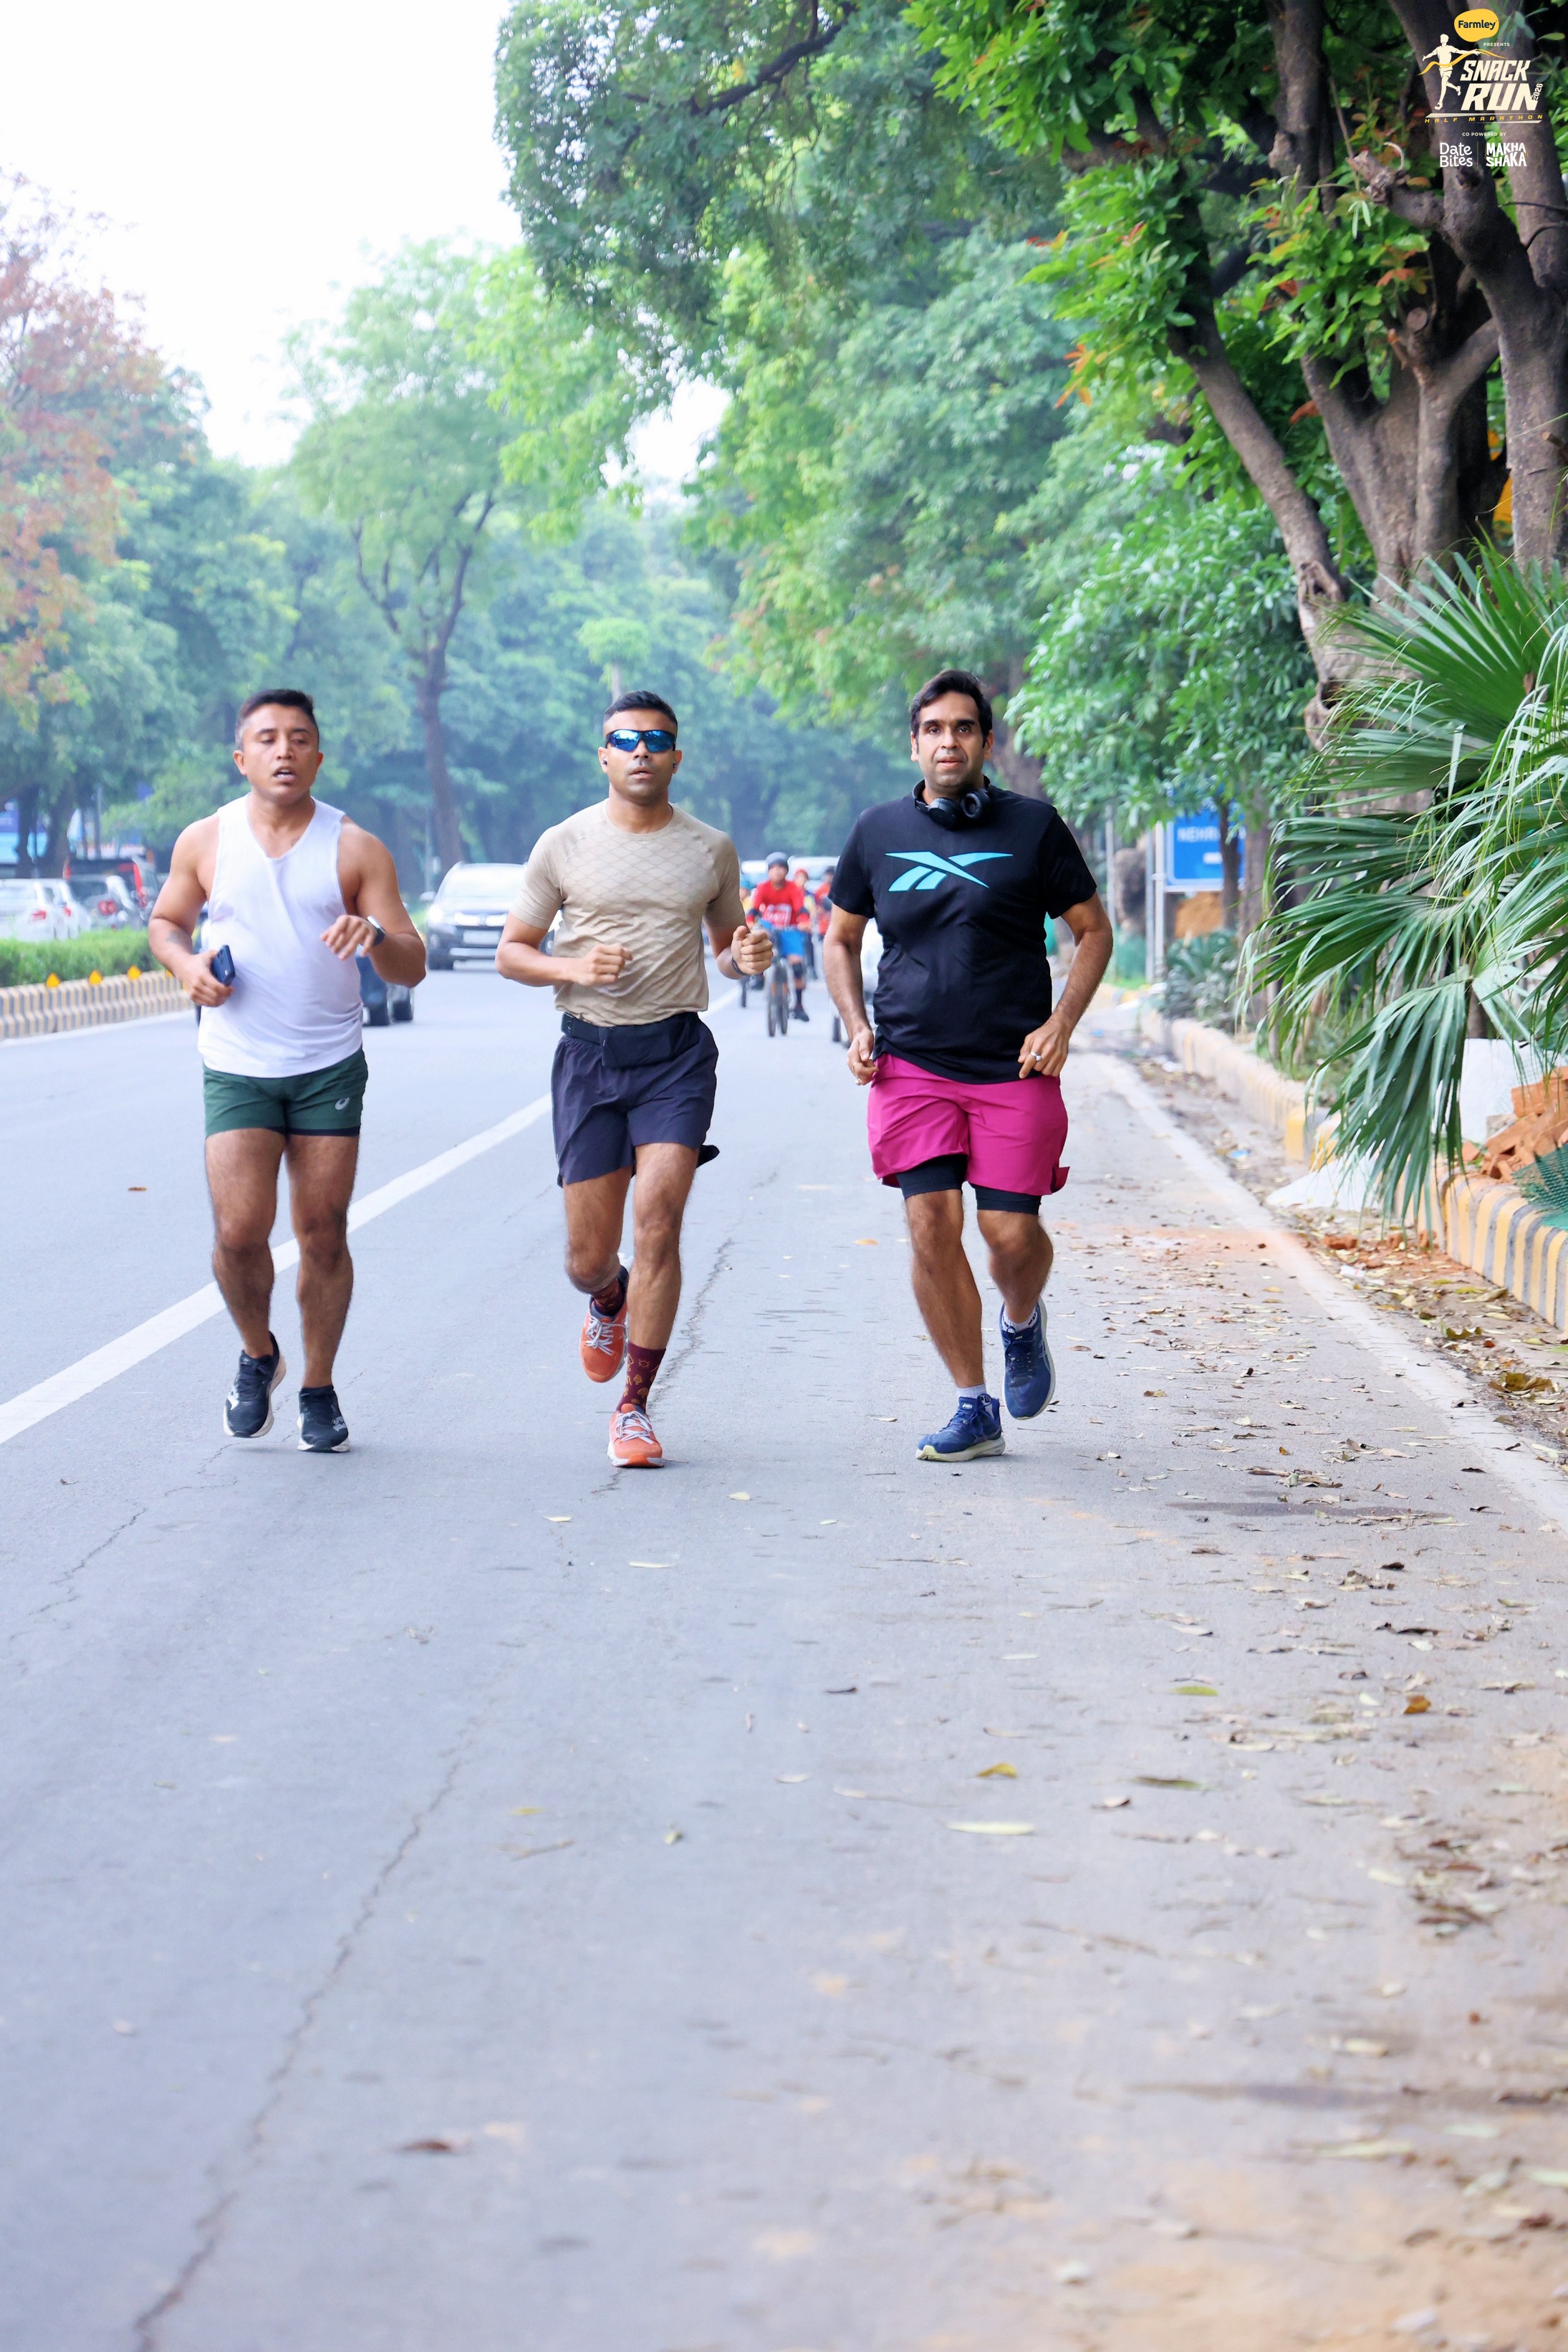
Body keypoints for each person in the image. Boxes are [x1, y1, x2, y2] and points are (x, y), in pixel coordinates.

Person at [824, 666, 1112, 1463]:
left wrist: (1060, 1023)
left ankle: (1021, 1320)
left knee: (1009, 1234)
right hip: (911, 1064)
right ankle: (972, 1403)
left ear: (985, 741)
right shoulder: (876, 830)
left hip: (1012, 1066)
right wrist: (856, 1024)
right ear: (913, 744)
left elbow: (1093, 930)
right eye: (932, 729)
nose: (946, 741)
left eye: (962, 728)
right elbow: (840, 938)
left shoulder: (1033, 827)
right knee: (929, 1223)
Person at [497, 691, 774, 1467]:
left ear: (677, 756)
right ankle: (608, 1295)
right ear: (604, 756)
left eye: (656, 739)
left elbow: (728, 948)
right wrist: (573, 967)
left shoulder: (710, 849)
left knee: (658, 1220)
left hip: (675, 1057)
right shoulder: (563, 844)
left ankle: (635, 1407)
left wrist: (745, 958)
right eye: (625, 740)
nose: (641, 750)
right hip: (588, 1058)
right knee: (586, 1258)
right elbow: (512, 952)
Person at [149, 688, 426, 1451]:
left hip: (327, 1063)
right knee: (240, 1233)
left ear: (318, 756)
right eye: (267, 738)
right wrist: (186, 965)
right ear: (242, 758)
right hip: (236, 1062)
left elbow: (411, 964)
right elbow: (166, 923)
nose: (284, 751)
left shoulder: (355, 848)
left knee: (322, 1231)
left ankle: (318, 1387)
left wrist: (374, 936)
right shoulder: (206, 840)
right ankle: (258, 1353)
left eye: (299, 738)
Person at [751, 853, 811, 1020]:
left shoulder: (793, 888)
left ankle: (798, 1005)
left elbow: (801, 909)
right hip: (770, 929)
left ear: (786, 871)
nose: (777, 871)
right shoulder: (763, 887)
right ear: (769, 871)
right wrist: (749, 920)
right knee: (758, 938)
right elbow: (754, 909)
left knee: (797, 967)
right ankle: (758, 976)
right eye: (774, 868)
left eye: (781, 868)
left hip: (789, 930)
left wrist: (804, 922)